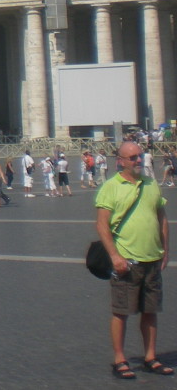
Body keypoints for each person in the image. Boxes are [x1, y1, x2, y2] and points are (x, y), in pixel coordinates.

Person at [96, 141, 172, 379]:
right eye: (132, 158)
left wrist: (165, 249)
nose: (138, 161)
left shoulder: (151, 184)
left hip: (151, 258)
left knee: (151, 311)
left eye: (140, 156)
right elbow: (102, 225)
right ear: (120, 161)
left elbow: (161, 217)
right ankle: (120, 359)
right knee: (121, 311)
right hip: (126, 261)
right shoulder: (110, 187)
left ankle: (150, 356)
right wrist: (114, 256)